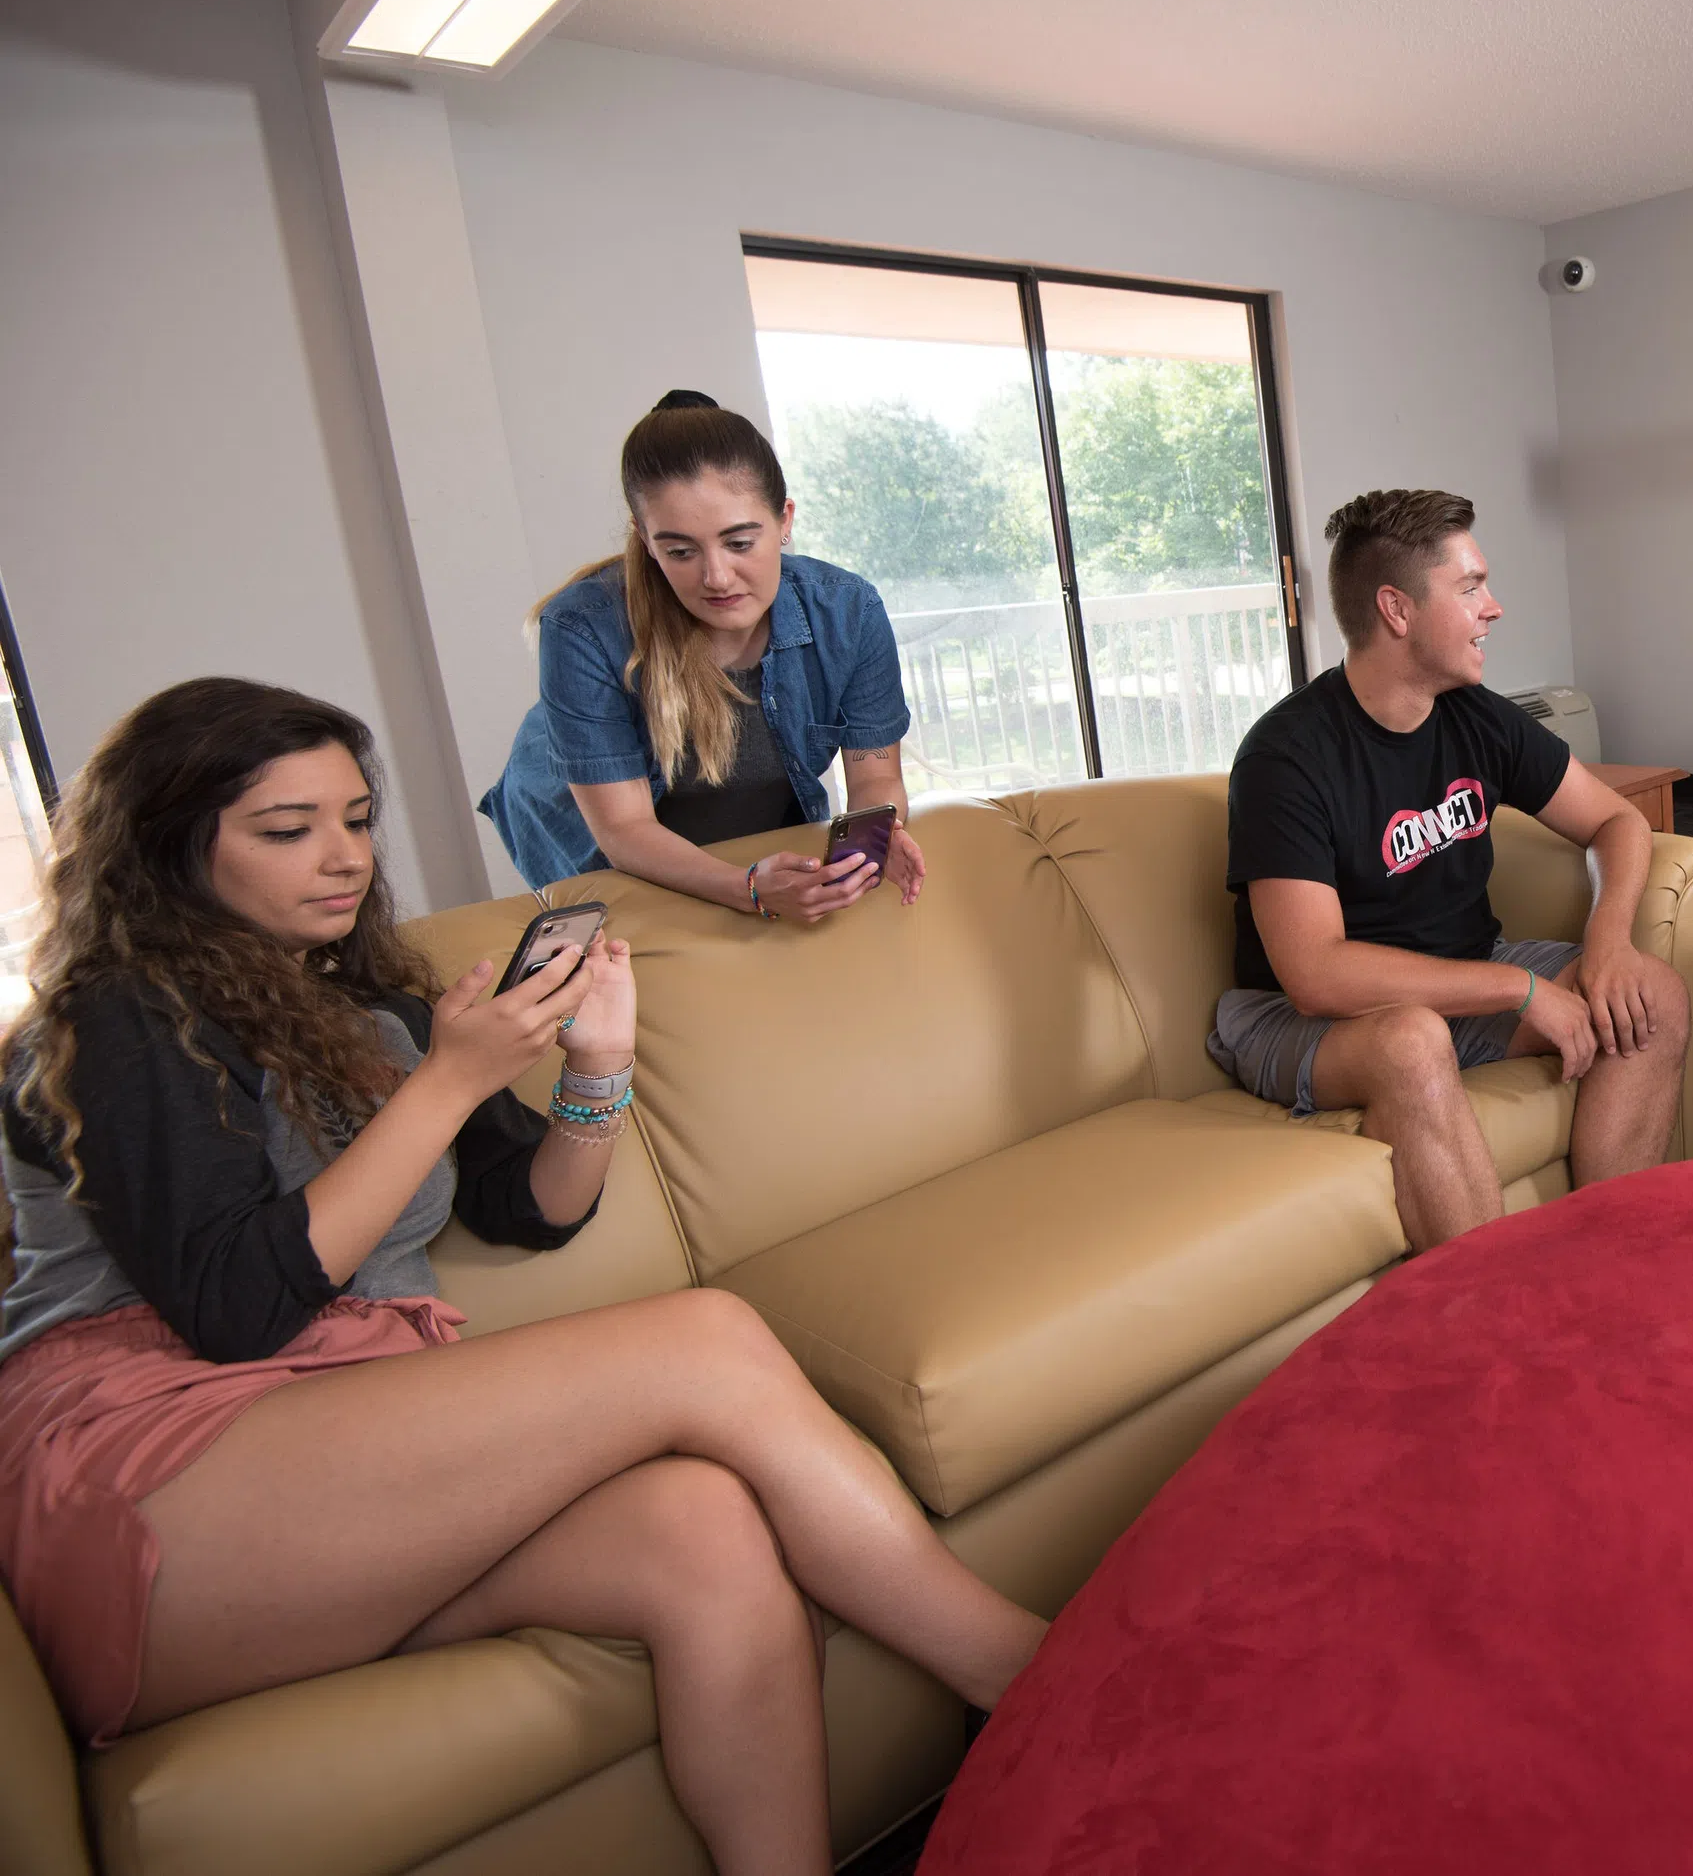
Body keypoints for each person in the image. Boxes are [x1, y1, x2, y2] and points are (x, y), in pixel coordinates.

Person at [1, 680, 1044, 1874]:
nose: (341, 857)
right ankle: (1021, 1670)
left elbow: (531, 1208)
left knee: (702, 1527)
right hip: (150, 1485)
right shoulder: (120, 1015)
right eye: (288, 830)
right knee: (702, 1335)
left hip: (338, 1470)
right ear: (172, 846)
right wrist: (446, 1080)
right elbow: (237, 1303)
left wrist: (596, 1061)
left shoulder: (368, 1002)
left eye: (354, 819)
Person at [1214, 489, 1690, 1250]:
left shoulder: (1476, 714)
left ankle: (1611, 1263)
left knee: (1650, 995)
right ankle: (1491, 1327)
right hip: (1301, 1019)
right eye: (1470, 588)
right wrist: (1519, 987)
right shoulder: (1286, 757)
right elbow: (1315, 974)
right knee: (1410, 1041)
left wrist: (1607, 943)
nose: (1493, 608)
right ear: (1398, 610)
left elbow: (1616, 820)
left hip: (1457, 977)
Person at [479, 392, 923, 924]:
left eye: (739, 543)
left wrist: (874, 842)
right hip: (602, 839)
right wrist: (750, 889)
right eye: (681, 552)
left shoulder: (849, 611)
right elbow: (623, 831)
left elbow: (875, 774)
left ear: (784, 520)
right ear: (645, 540)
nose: (715, 577)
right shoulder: (581, 628)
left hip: (738, 818)